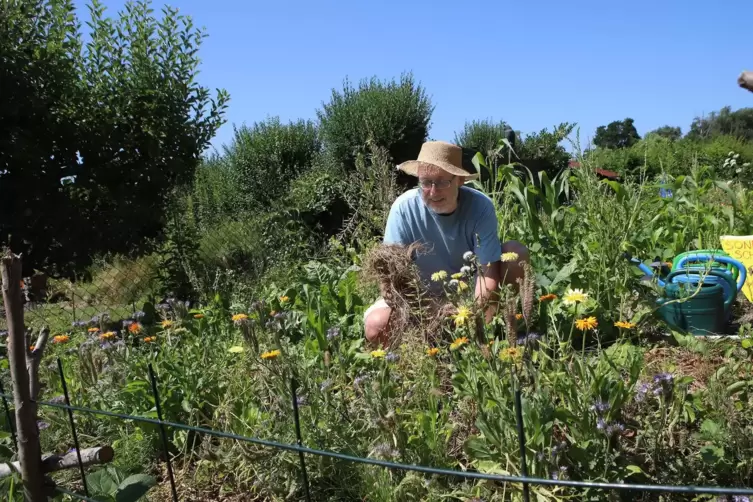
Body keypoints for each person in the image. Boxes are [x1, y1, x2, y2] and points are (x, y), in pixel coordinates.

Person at [364, 140, 530, 346]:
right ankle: (400, 365)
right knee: (376, 325)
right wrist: (430, 312)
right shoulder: (403, 209)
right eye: (425, 182)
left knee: (515, 252)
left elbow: (488, 275)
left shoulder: (480, 207)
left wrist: (469, 315)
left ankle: (503, 335)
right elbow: (390, 283)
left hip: (466, 298)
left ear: (460, 180)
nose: (433, 192)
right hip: (416, 301)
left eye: (442, 182)